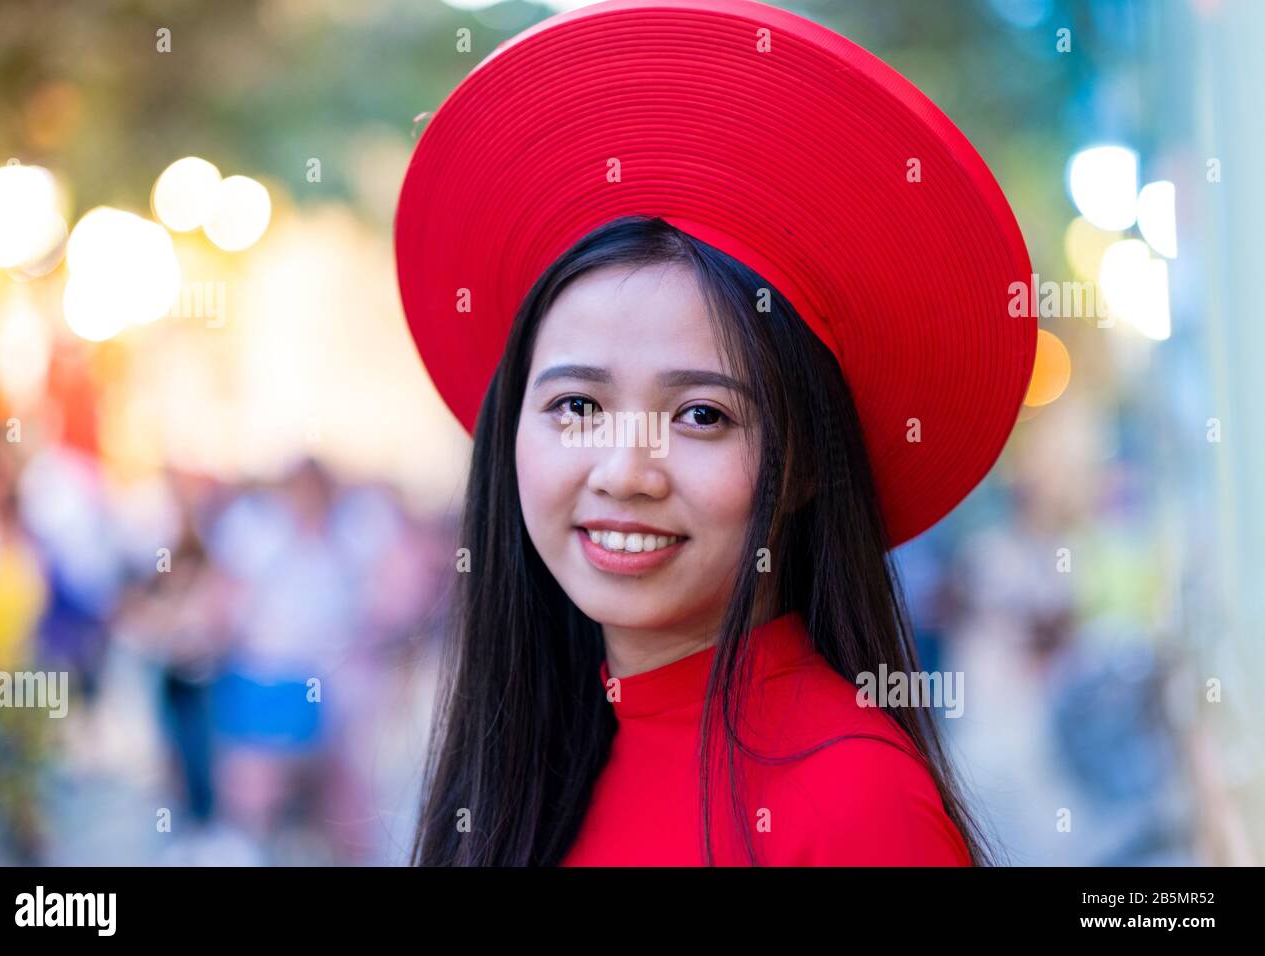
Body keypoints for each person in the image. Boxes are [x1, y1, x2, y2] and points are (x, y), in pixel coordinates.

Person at [394, 0, 1037, 866]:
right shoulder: (529, 758)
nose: (625, 472)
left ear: (805, 462)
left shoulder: (857, 804)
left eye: (703, 415)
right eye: (577, 406)